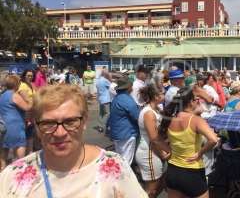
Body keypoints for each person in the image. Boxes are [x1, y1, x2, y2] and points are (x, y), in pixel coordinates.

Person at [0, 84, 147, 197]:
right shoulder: (12, 177)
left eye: (70, 122)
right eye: (48, 124)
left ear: (84, 122)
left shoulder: (115, 169)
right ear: (36, 126)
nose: (60, 133)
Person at [161, 87, 218, 198]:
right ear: (191, 102)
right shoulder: (196, 120)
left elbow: (157, 139)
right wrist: (200, 153)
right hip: (192, 171)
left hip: (173, 170)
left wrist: (169, 150)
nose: (198, 101)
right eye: (197, 99)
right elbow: (213, 140)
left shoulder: (170, 118)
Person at [135, 84, 170, 198]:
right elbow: (154, 139)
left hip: (154, 152)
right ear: (156, 96)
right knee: (151, 190)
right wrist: (166, 152)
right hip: (149, 154)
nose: (164, 95)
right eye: (162, 93)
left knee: (160, 183)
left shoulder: (156, 109)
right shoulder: (149, 113)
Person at [0, 75, 32, 168]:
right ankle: (20, 167)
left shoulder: (2, 95)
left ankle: (2, 168)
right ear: (17, 84)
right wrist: (29, 100)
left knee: (4, 148)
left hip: (4, 124)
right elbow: (27, 107)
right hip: (15, 125)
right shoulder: (14, 95)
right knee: (19, 145)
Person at [107, 76, 140, 165]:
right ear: (128, 88)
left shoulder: (117, 98)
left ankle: (118, 175)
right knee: (126, 161)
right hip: (126, 134)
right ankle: (123, 177)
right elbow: (137, 117)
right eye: (131, 86)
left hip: (118, 132)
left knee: (120, 158)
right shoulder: (126, 99)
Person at [18, 69, 36, 154]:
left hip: (31, 115)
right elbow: (27, 100)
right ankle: (22, 158)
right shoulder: (22, 86)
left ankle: (30, 153)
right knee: (23, 138)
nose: (30, 77)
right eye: (28, 75)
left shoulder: (31, 85)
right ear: (24, 76)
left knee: (30, 136)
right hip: (25, 115)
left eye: (31, 76)